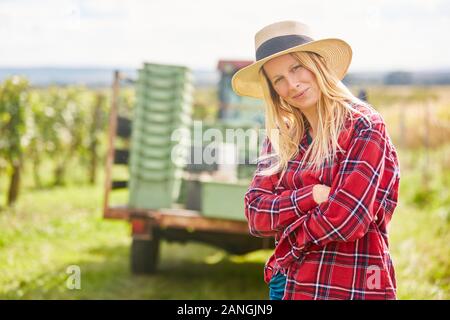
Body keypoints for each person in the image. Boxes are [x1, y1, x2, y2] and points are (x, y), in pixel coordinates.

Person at [231, 20, 400, 300]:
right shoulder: (280, 136)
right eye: (278, 80)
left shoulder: (364, 127)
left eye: (296, 67)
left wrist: (292, 235)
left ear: (317, 64)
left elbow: (348, 219)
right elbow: (256, 214)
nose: (292, 84)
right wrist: (312, 195)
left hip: (350, 284)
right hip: (289, 285)